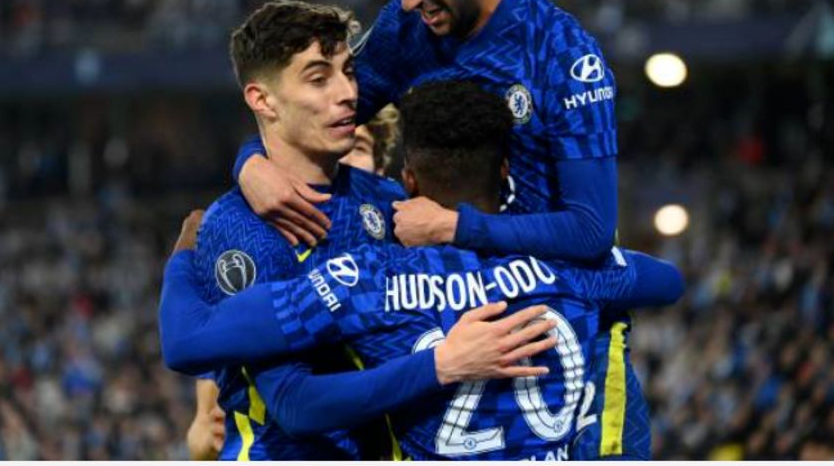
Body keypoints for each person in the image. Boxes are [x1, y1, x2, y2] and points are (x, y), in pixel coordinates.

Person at [233, 0, 648, 458]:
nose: (406, 0)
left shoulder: (562, 56)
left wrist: (455, 226)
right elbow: (320, 117)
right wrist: (250, 161)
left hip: (570, 341)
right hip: (448, 328)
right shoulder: (407, 31)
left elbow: (590, 230)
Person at [160, 80, 685, 460]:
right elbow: (667, 281)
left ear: (407, 180)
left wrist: (184, 257)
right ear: (504, 171)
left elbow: (189, 344)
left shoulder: (367, 279)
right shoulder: (570, 267)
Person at [180, 0, 555, 460]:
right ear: (262, 100)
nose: (347, 93)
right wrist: (442, 365)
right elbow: (294, 405)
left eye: (349, 72)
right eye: (319, 78)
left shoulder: (386, 199)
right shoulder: (240, 226)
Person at [185, 102, 402, 460]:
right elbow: (207, 428)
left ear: (379, 170)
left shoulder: (402, 246)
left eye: (358, 147)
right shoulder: (255, 245)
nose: (341, 159)